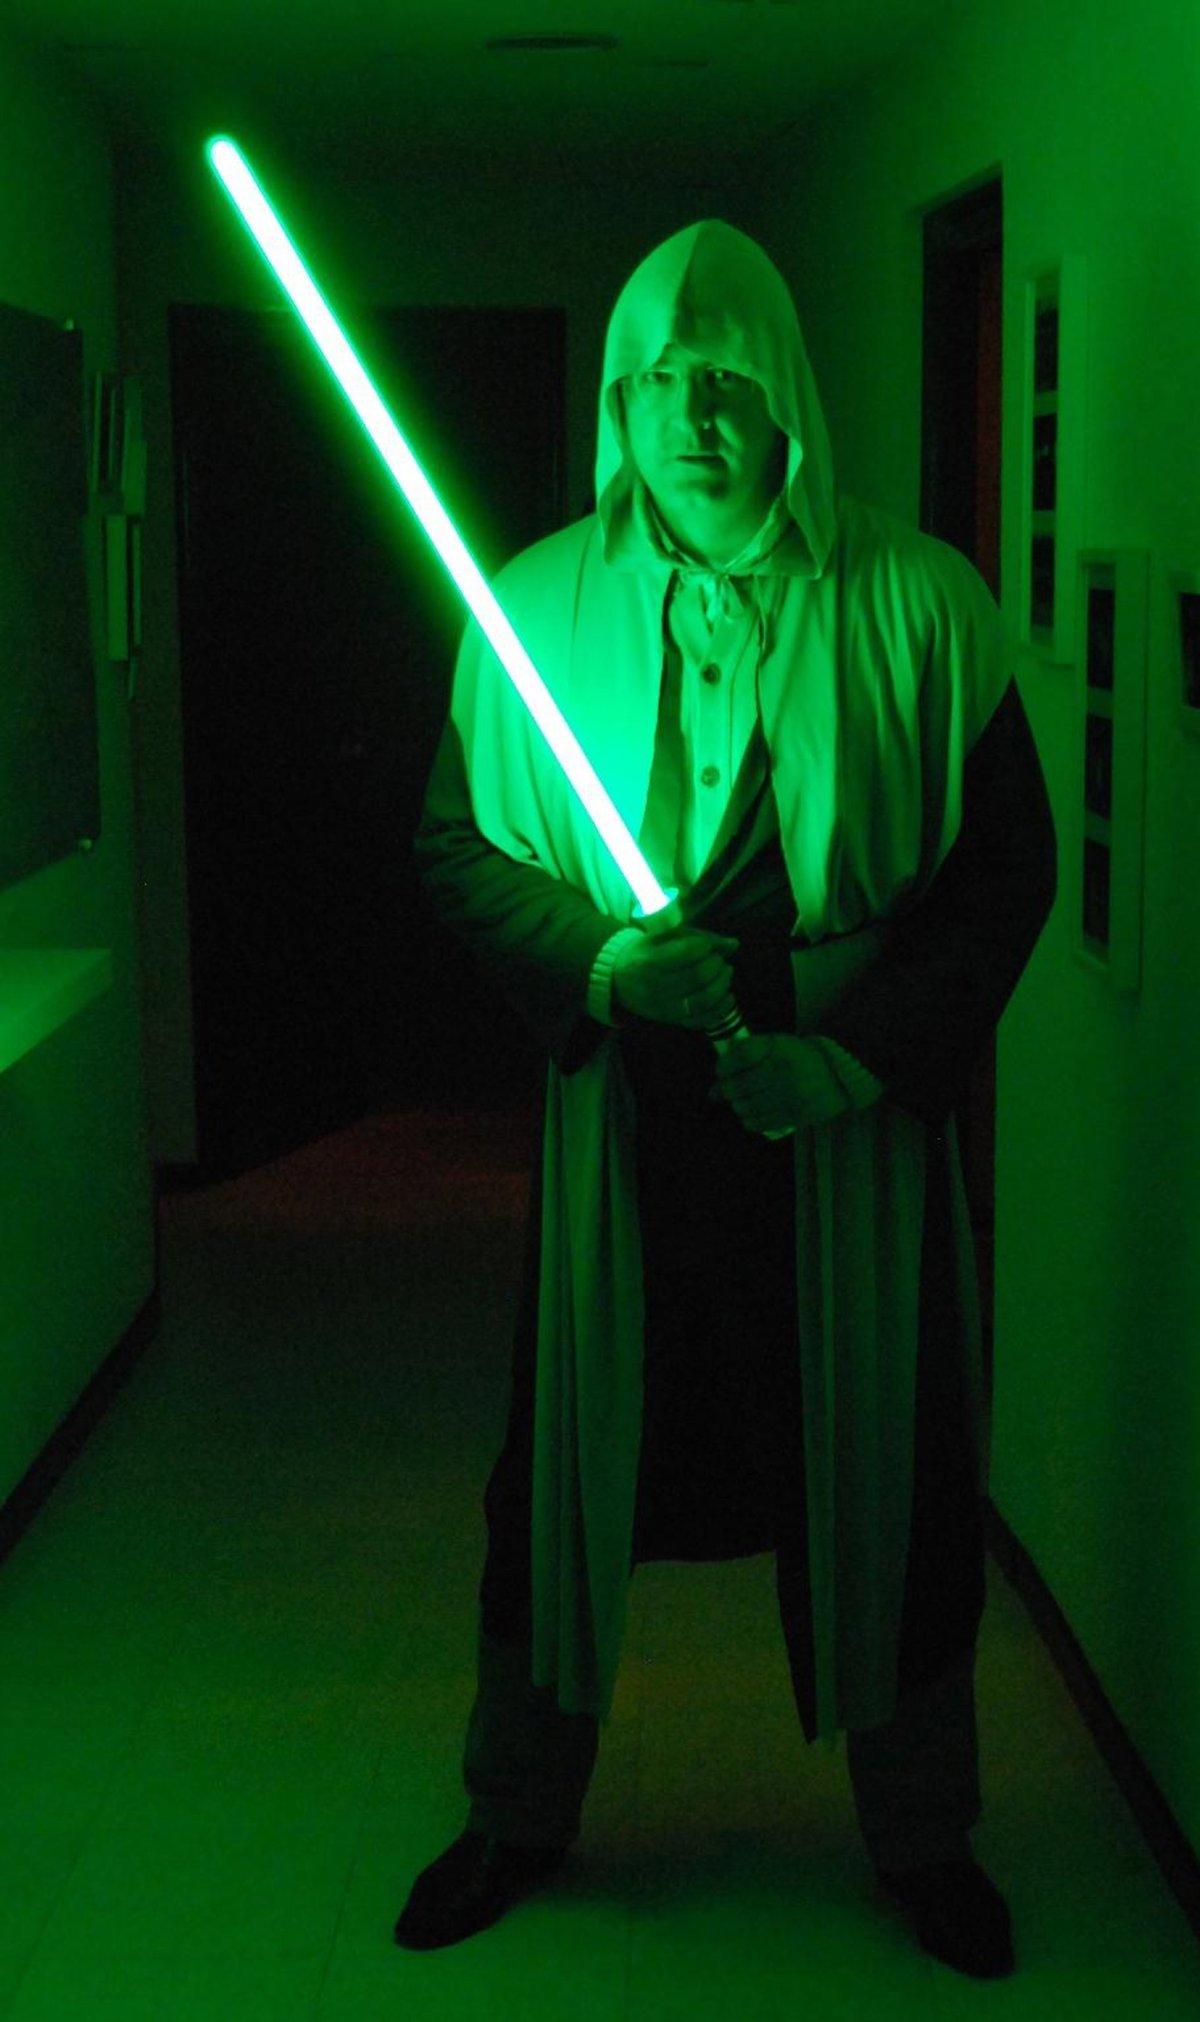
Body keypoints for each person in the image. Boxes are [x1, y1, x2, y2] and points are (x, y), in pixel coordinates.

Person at [396, 220, 1057, 1978]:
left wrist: (853, 1051)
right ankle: (515, 1808)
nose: (692, 414)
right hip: (628, 1135)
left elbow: (1004, 875)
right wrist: (603, 965)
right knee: (559, 1476)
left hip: (844, 1131)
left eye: (728, 377)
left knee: (894, 1475)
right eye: (660, 379)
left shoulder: (923, 601)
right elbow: (456, 847)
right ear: (620, 401)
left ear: (787, 398)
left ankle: (926, 1831)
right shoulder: (532, 607)